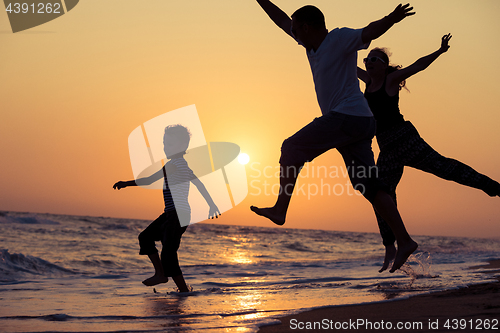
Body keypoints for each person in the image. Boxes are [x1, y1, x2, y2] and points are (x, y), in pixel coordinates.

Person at [250, 1, 418, 272]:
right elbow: (281, 19)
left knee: (291, 147)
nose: (292, 34)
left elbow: (369, 32)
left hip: (347, 117)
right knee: (370, 187)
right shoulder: (310, 46)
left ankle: (281, 209)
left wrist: (393, 18)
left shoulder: (338, 38)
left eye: (296, 30)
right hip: (360, 123)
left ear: (306, 27)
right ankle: (405, 241)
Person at [357, 35, 500, 272]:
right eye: (367, 59)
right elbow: (341, 61)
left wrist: (440, 51)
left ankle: (494, 187)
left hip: (406, 140)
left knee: (444, 168)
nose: (369, 62)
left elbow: (418, 65)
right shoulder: (367, 81)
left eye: (375, 59)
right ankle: (391, 245)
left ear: (384, 65)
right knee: (379, 194)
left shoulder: (391, 80)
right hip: (387, 149)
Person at [113, 125, 220, 291]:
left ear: (183, 146)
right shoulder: (183, 165)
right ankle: (170, 281)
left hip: (178, 214)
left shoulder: (174, 165)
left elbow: (149, 180)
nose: (165, 147)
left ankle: (166, 278)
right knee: (147, 238)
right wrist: (211, 204)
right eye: (164, 143)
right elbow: (199, 184)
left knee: (168, 252)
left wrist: (126, 183)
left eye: (170, 144)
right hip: (173, 214)